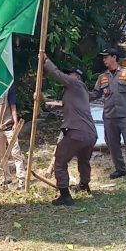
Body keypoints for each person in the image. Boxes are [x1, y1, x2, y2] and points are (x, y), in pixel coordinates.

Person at [42, 56, 98, 206]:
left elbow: (58, 75)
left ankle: (65, 194)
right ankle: (84, 185)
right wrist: (45, 101)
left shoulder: (75, 83)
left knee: (60, 160)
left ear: (77, 76)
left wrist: (46, 61)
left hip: (76, 132)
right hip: (90, 134)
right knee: (83, 160)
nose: (68, 76)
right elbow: (64, 105)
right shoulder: (80, 92)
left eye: (70, 74)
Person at [90, 48, 126, 179]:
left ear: (114, 57)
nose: (104, 60)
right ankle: (120, 169)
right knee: (112, 144)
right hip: (109, 116)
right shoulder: (102, 77)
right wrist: (81, 94)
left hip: (125, 115)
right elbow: (95, 94)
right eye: (103, 57)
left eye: (106, 57)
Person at [0, 86, 26, 190]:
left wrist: (15, 122)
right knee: (1, 155)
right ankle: (7, 178)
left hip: (9, 127)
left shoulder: (8, 89)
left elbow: (13, 107)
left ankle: (21, 179)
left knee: (15, 153)